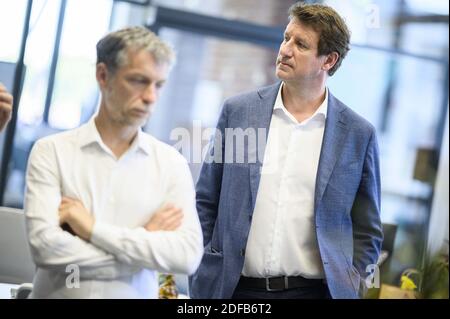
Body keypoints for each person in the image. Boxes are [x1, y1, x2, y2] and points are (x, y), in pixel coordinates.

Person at [189, 3, 383, 299]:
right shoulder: (240, 113)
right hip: (234, 289)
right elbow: (206, 200)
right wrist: (202, 265)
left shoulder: (357, 134)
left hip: (314, 293)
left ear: (328, 60)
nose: (286, 49)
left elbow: (367, 230)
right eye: (286, 38)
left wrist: (351, 281)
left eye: (301, 44)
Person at [25, 26, 203, 298]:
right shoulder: (51, 152)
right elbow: (45, 249)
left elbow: (187, 256)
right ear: (103, 75)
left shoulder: (171, 164)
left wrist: (91, 229)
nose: (150, 97)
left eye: (159, 84)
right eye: (138, 80)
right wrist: (144, 239)